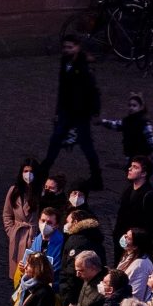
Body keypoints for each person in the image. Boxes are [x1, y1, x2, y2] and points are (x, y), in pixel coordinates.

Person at [44, 34, 103, 191]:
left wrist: (95, 112)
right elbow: (62, 88)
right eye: (65, 47)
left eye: (70, 47)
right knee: (56, 140)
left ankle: (97, 177)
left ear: (78, 47)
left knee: (85, 144)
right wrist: (58, 110)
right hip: (67, 109)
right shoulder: (65, 62)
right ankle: (44, 170)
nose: (67, 50)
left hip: (81, 111)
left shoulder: (84, 66)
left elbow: (93, 91)